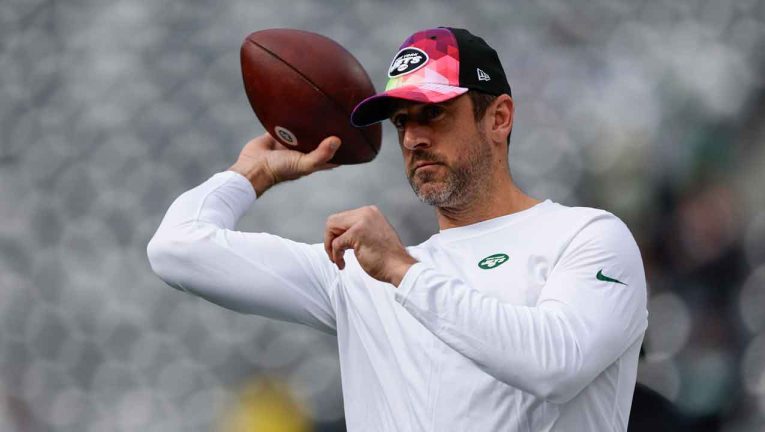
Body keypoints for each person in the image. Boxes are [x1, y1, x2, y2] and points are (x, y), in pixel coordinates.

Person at [147, 27, 648, 431]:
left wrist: (404, 272)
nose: (413, 138)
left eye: (434, 113)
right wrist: (255, 174)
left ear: (499, 118)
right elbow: (177, 248)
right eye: (401, 122)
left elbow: (555, 365)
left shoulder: (587, 237)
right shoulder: (361, 276)